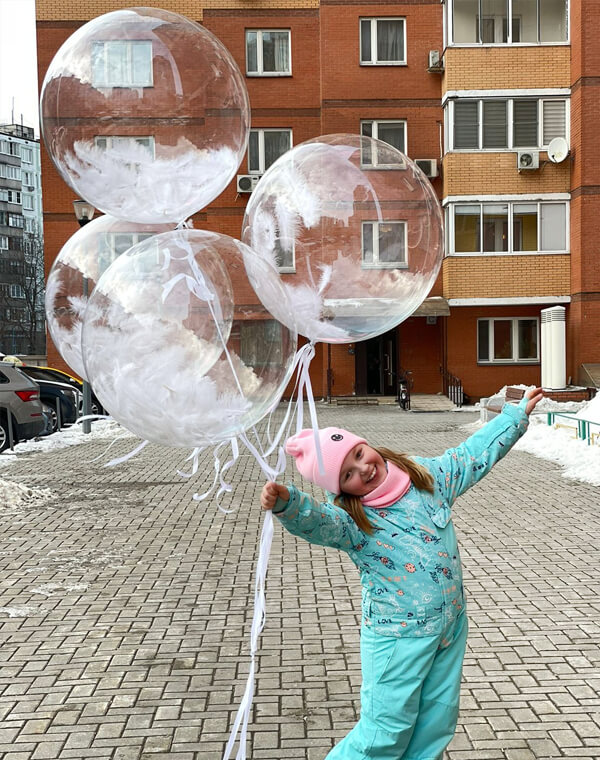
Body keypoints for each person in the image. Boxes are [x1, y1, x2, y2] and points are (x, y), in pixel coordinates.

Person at [261, 387, 544, 760]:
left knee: (435, 724)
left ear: (367, 445)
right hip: (398, 639)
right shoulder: (353, 521)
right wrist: (289, 505)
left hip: (449, 626)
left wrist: (511, 418)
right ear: (341, 489)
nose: (363, 468)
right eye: (348, 474)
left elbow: (470, 456)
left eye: (359, 454)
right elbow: (320, 521)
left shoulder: (427, 478)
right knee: (385, 733)